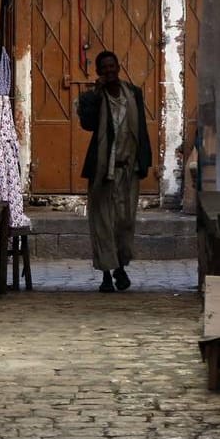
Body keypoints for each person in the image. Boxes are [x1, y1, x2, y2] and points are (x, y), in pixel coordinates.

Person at [76, 50, 153, 292]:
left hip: (127, 170)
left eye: (112, 66)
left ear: (118, 67)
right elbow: (87, 123)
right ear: (99, 72)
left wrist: (144, 162)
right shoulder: (95, 98)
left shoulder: (133, 94)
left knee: (123, 222)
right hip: (103, 171)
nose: (109, 71)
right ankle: (108, 274)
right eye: (104, 68)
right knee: (103, 223)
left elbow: (140, 129)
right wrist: (96, 94)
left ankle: (121, 266)